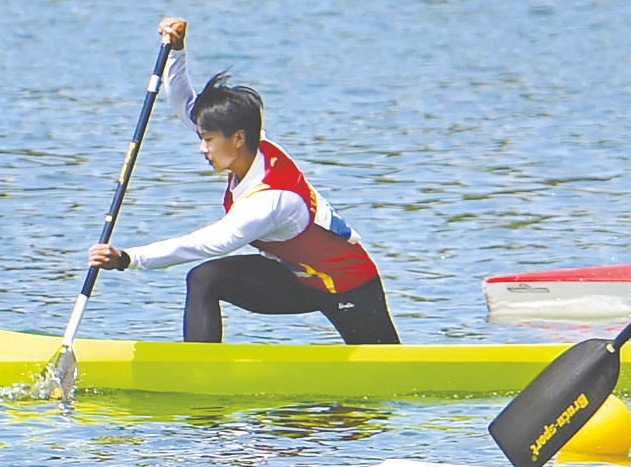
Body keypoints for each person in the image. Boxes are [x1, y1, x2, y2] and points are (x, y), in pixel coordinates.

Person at [87, 17, 401, 345]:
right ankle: (200, 371)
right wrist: (177, 52)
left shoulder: (271, 200)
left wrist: (127, 258)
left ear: (237, 138)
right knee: (205, 279)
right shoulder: (251, 142)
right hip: (293, 277)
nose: (202, 147)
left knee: (389, 377)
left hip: (348, 284)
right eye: (202, 137)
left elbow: (207, 243)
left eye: (208, 139)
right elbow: (186, 106)